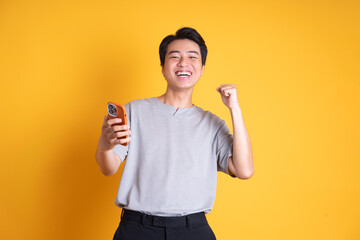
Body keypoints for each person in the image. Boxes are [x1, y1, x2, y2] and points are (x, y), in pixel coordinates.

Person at [95, 27, 254, 240]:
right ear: (162, 67)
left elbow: (244, 170)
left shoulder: (213, 124)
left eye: (192, 57)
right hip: (137, 229)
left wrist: (235, 109)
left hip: (193, 230)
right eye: (174, 56)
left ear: (202, 68)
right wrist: (105, 146)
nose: (183, 63)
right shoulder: (134, 111)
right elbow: (109, 167)